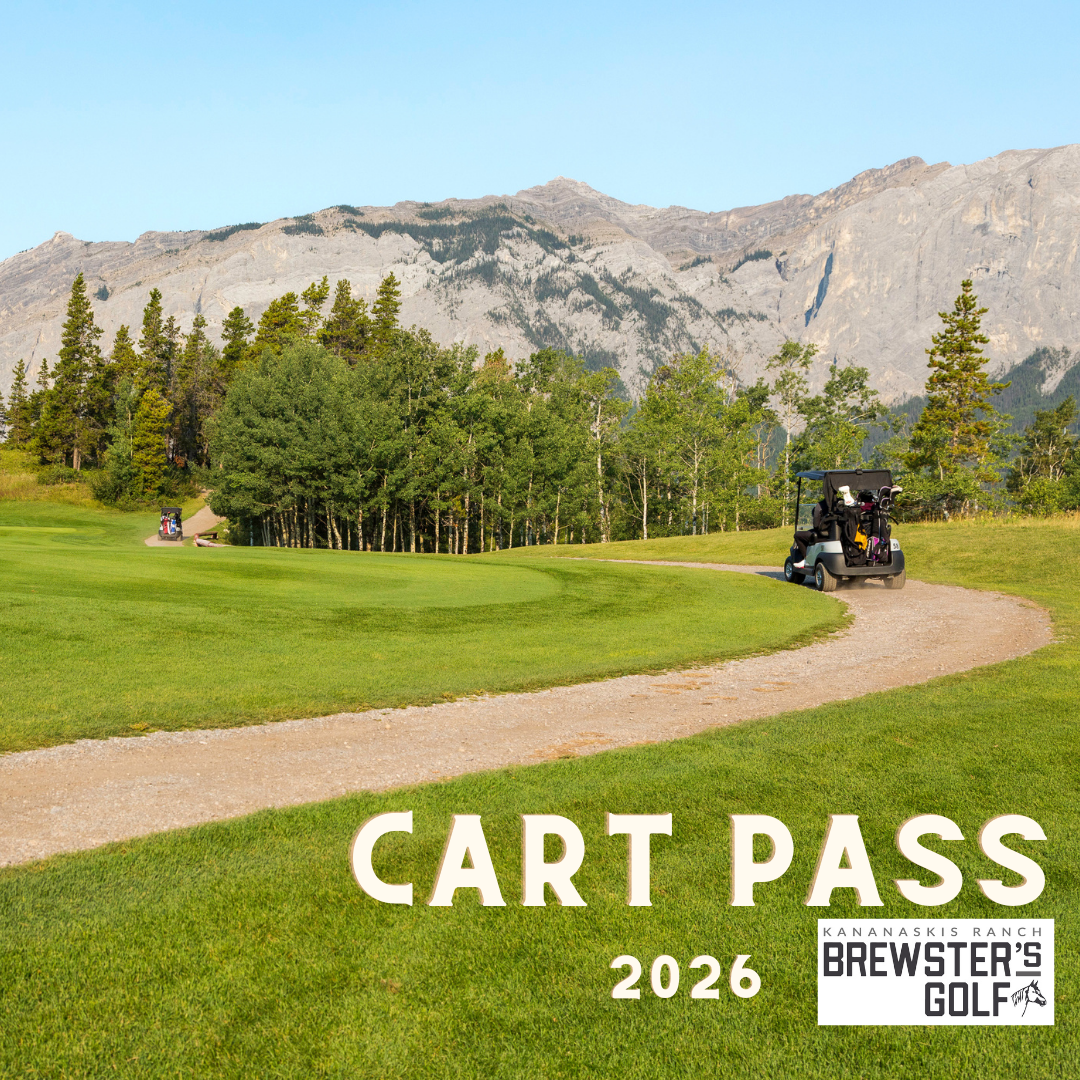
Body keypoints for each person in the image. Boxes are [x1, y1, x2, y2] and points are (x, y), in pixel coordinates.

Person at [792, 498, 830, 568]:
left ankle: (805, 559)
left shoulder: (821, 505)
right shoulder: (840, 503)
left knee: (797, 535)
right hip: (837, 534)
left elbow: (816, 525)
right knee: (809, 532)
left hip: (822, 535)